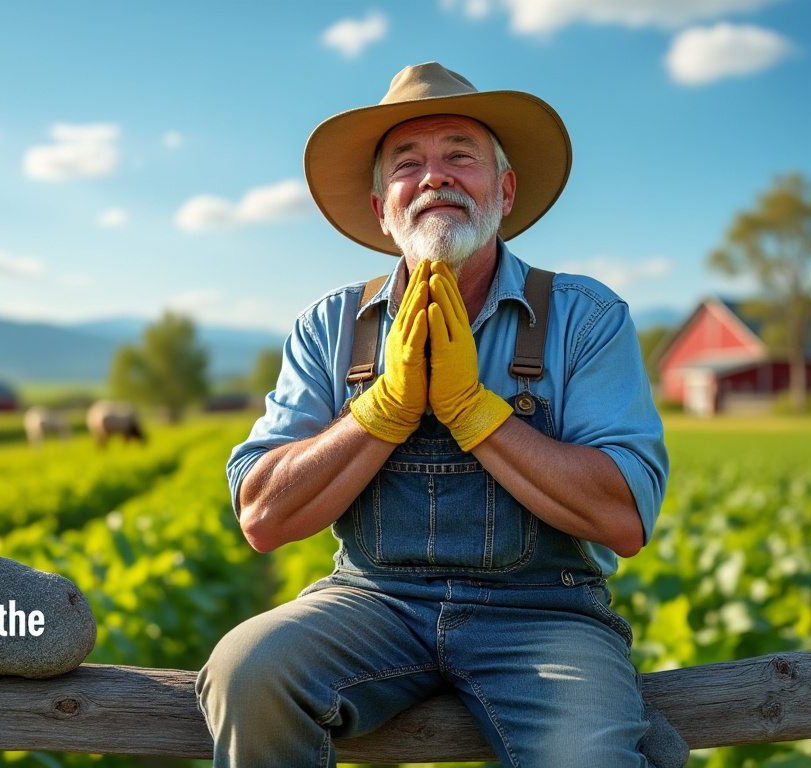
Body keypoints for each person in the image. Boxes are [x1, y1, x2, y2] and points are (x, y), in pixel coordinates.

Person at [197, 62, 687, 768]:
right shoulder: (329, 326)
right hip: (371, 602)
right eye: (408, 164)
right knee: (248, 672)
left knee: (588, 756)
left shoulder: (585, 317)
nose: (434, 178)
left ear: (505, 189)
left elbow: (625, 516)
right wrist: (382, 409)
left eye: (460, 155)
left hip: (547, 617)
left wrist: (474, 410)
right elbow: (262, 517)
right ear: (380, 206)